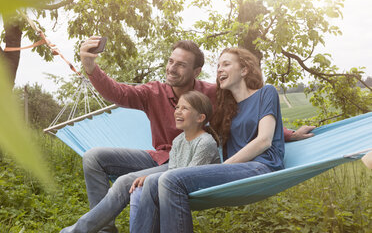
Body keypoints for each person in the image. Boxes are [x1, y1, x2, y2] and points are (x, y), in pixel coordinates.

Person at [62, 38, 314, 232]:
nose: (172, 68)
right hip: (161, 155)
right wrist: (90, 67)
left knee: (133, 182)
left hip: (192, 158)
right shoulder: (153, 92)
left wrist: (289, 133)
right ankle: (103, 229)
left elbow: (257, 125)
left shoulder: (217, 94)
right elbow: (119, 93)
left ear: (195, 72)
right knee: (94, 157)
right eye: (171, 61)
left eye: (181, 64)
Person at [131, 47, 286, 233]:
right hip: (233, 170)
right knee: (152, 183)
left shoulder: (265, 93)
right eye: (218, 66)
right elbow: (194, 129)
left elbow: (264, 140)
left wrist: (223, 166)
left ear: (244, 70)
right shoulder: (227, 109)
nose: (219, 69)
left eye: (226, 64)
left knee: (171, 180)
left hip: (261, 167)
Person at [128, 90, 220, 231]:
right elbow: (172, 170)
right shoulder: (178, 141)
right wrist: (150, 178)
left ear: (200, 118)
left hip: (200, 187)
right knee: (138, 191)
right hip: (176, 182)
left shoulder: (205, 142)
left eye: (185, 108)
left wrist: (151, 178)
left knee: (151, 183)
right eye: (177, 107)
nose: (178, 111)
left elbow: (190, 176)